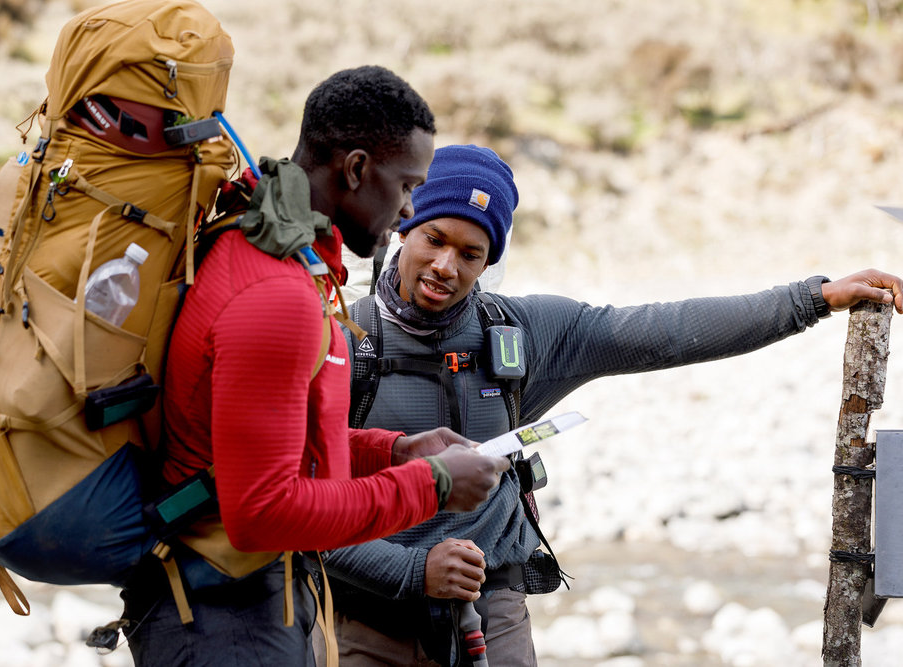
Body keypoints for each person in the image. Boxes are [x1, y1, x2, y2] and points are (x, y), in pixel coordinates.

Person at [323, 143, 903, 666]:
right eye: (434, 240)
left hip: (492, 622)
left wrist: (816, 298)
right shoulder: (341, 340)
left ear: (489, 260)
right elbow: (300, 509)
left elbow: (666, 331)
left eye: (471, 253)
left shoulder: (522, 333)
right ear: (405, 227)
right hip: (367, 624)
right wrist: (415, 570)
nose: (446, 267)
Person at [119, 70, 510, 666]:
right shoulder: (276, 293)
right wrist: (434, 484)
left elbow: (273, 445)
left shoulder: (268, 249)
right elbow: (262, 512)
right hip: (223, 615)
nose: (407, 208)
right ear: (354, 169)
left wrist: (395, 451)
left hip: (237, 600)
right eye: (407, 185)